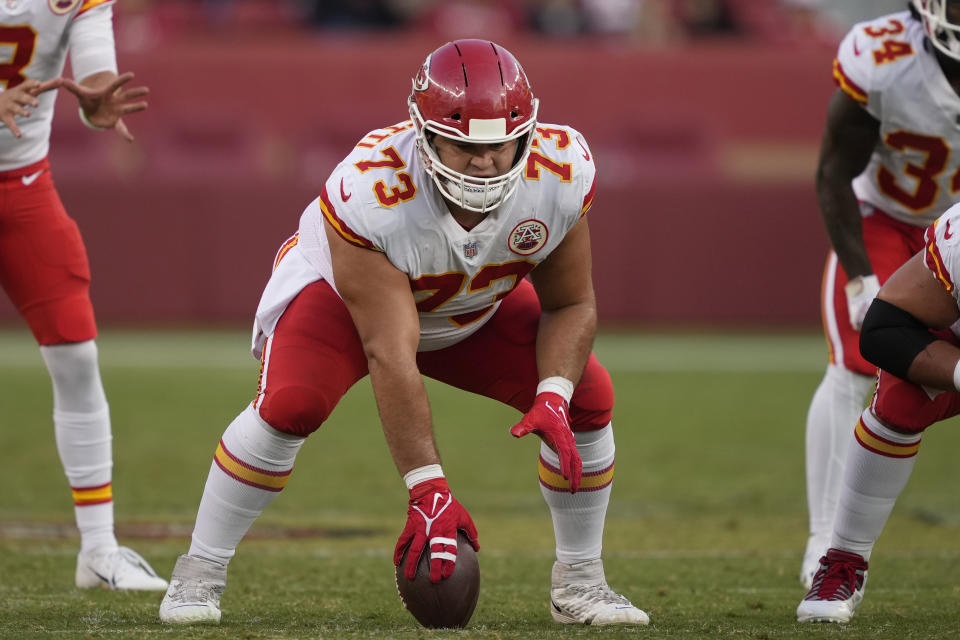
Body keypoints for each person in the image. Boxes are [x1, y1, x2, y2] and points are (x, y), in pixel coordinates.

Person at [158, 38, 649, 627]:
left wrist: (553, 395)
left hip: (471, 303)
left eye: (499, 146)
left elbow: (571, 304)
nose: (486, 162)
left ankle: (581, 584)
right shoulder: (371, 190)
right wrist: (428, 489)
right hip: (344, 299)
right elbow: (390, 352)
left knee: (588, 400)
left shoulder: (562, 170)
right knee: (293, 404)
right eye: (465, 147)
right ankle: (199, 574)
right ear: (424, 133)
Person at [0, 0, 165, 590]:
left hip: (22, 188)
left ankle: (99, 549)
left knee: (76, 355)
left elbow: (96, 67)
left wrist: (98, 99)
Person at [800, 0, 960, 589]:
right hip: (889, 220)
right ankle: (826, 540)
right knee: (855, 360)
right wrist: (862, 278)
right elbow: (833, 171)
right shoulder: (884, 56)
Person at [797, 196, 960, 623]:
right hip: (884, 215)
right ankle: (842, 559)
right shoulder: (957, 238)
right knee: (899, 395)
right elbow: (884, 330)